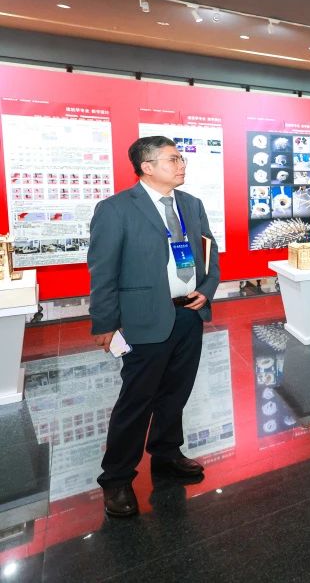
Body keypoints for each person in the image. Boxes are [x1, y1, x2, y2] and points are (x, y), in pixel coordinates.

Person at [88, 136, 221, 517]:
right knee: (137, 400)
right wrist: (105, 322)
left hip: (188, 314)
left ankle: (166, 453)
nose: (182, 165)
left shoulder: (191, 204)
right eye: (173, 159)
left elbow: (209, 251)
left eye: (181, 159)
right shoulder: (116, 209)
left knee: (176, 392)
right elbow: (102, 270)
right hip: (144, 317)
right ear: (147, 167)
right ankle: (116, 478)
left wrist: (206, 290)